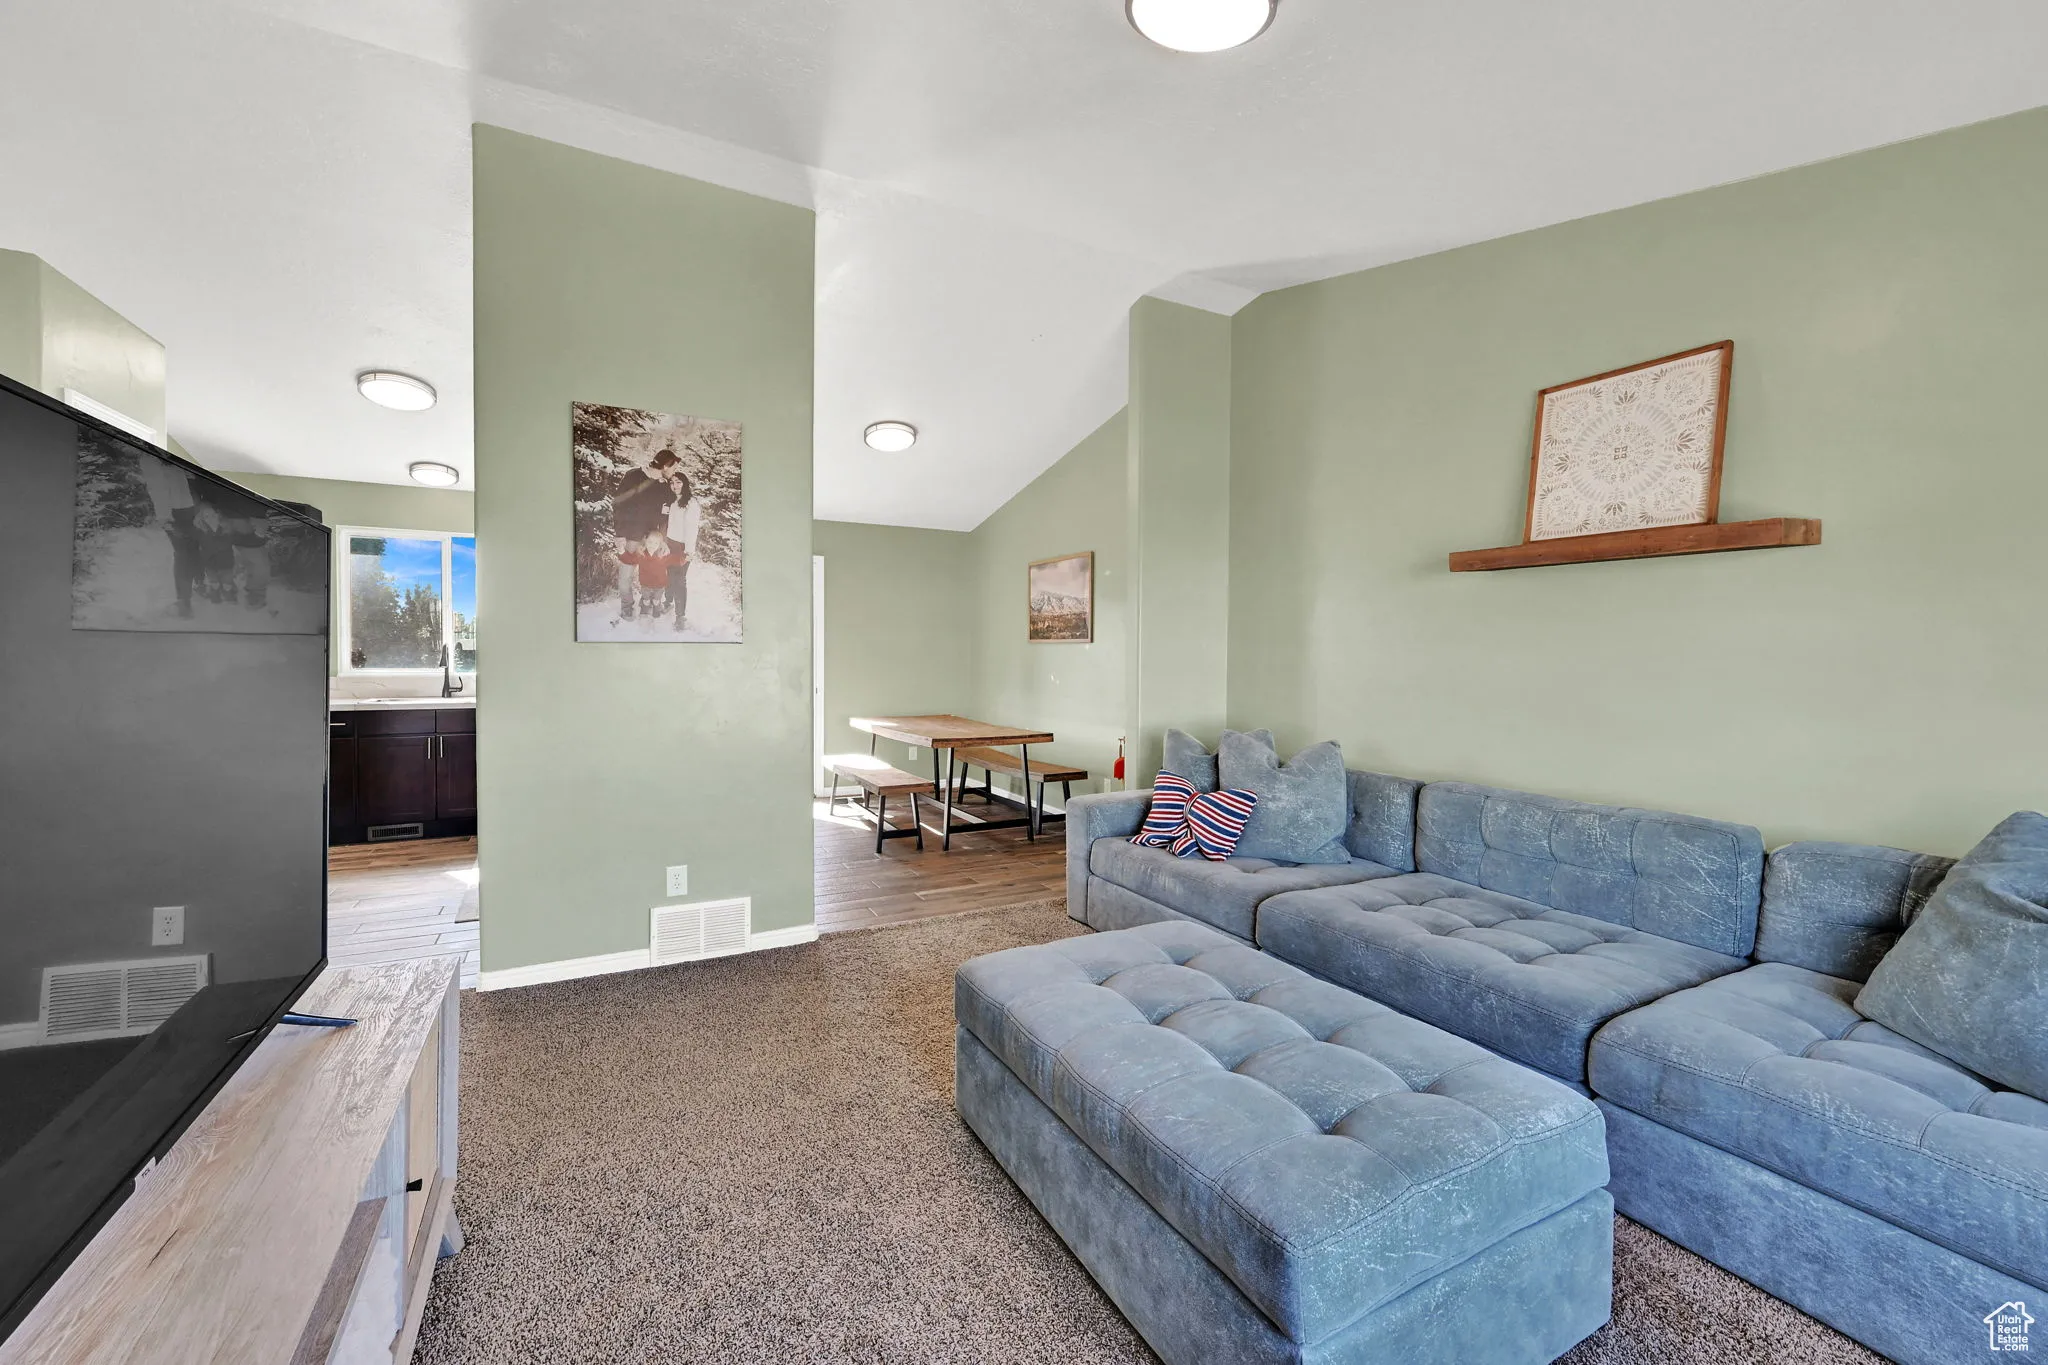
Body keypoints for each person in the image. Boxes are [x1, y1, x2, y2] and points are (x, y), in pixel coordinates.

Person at [611, 449, 679, 618]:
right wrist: (619, 533)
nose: (674, 471)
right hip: (630, 538)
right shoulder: (633, 476)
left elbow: (665, 516)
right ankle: (627, 607)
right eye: (673, 468)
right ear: (664, 466)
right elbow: (619, 504)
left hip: (651, 541)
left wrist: (661, 539)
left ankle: (646, 601)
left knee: (653, 574)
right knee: (625, 577)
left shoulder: (663, 487)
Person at [661, 470, 701, 631]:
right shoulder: (670, 501)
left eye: (678, 482)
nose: (675, 485)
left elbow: (692, 529)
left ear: (684, 483)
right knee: (669, 576)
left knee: (679, 581)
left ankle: (680, 616)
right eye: (672, 482)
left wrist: (689, 551)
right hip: (669, 544)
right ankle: (668, 601)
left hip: (682, 547)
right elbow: (665, 523)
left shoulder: (691, 503)